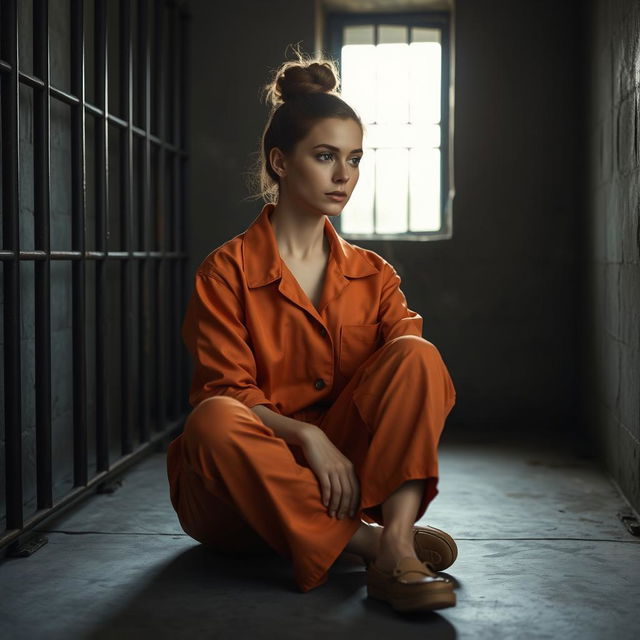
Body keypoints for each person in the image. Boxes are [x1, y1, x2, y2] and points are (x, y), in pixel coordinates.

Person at [166, 49, 458, 613]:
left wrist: (336, 435)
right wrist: (307, 436)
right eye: (325, 156)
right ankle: (374, 545)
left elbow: (415, 386)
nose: (343, 175)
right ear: (280, 161)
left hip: (343, 486)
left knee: (417, 355)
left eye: (354, 158)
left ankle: (393, 542)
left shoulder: (374, 275)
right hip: (237, 501)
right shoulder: (225, 271)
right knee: (214, 417)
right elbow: (225, 391)